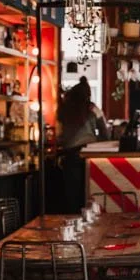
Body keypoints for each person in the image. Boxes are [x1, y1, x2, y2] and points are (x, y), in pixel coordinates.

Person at [56, 77, 109, 212]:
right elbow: (106, 134)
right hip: (88, 156)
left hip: (68, 157)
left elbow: (59, 135)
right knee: (88, 195)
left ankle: (72, 226)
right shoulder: (92, 108)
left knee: (71, 198)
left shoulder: (63, 109)